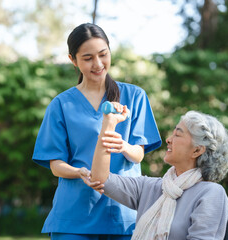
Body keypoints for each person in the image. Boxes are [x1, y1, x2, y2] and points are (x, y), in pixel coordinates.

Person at [32, 23, 162, 240]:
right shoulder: (61, 105)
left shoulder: (135, 96)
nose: (98, 64)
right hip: (75, 215)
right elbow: (56, 165)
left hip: (123, 213)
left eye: (103, 54)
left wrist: (124, 146)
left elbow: (138, 155)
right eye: (88, 58)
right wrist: (80, 172)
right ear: (73, 60)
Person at [87, 107, 228, 239]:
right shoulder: (151, 187)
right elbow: (100, 178)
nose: (168, 139)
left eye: (177, 135)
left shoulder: (211, 193)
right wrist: (109, 124)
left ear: (197, 150)